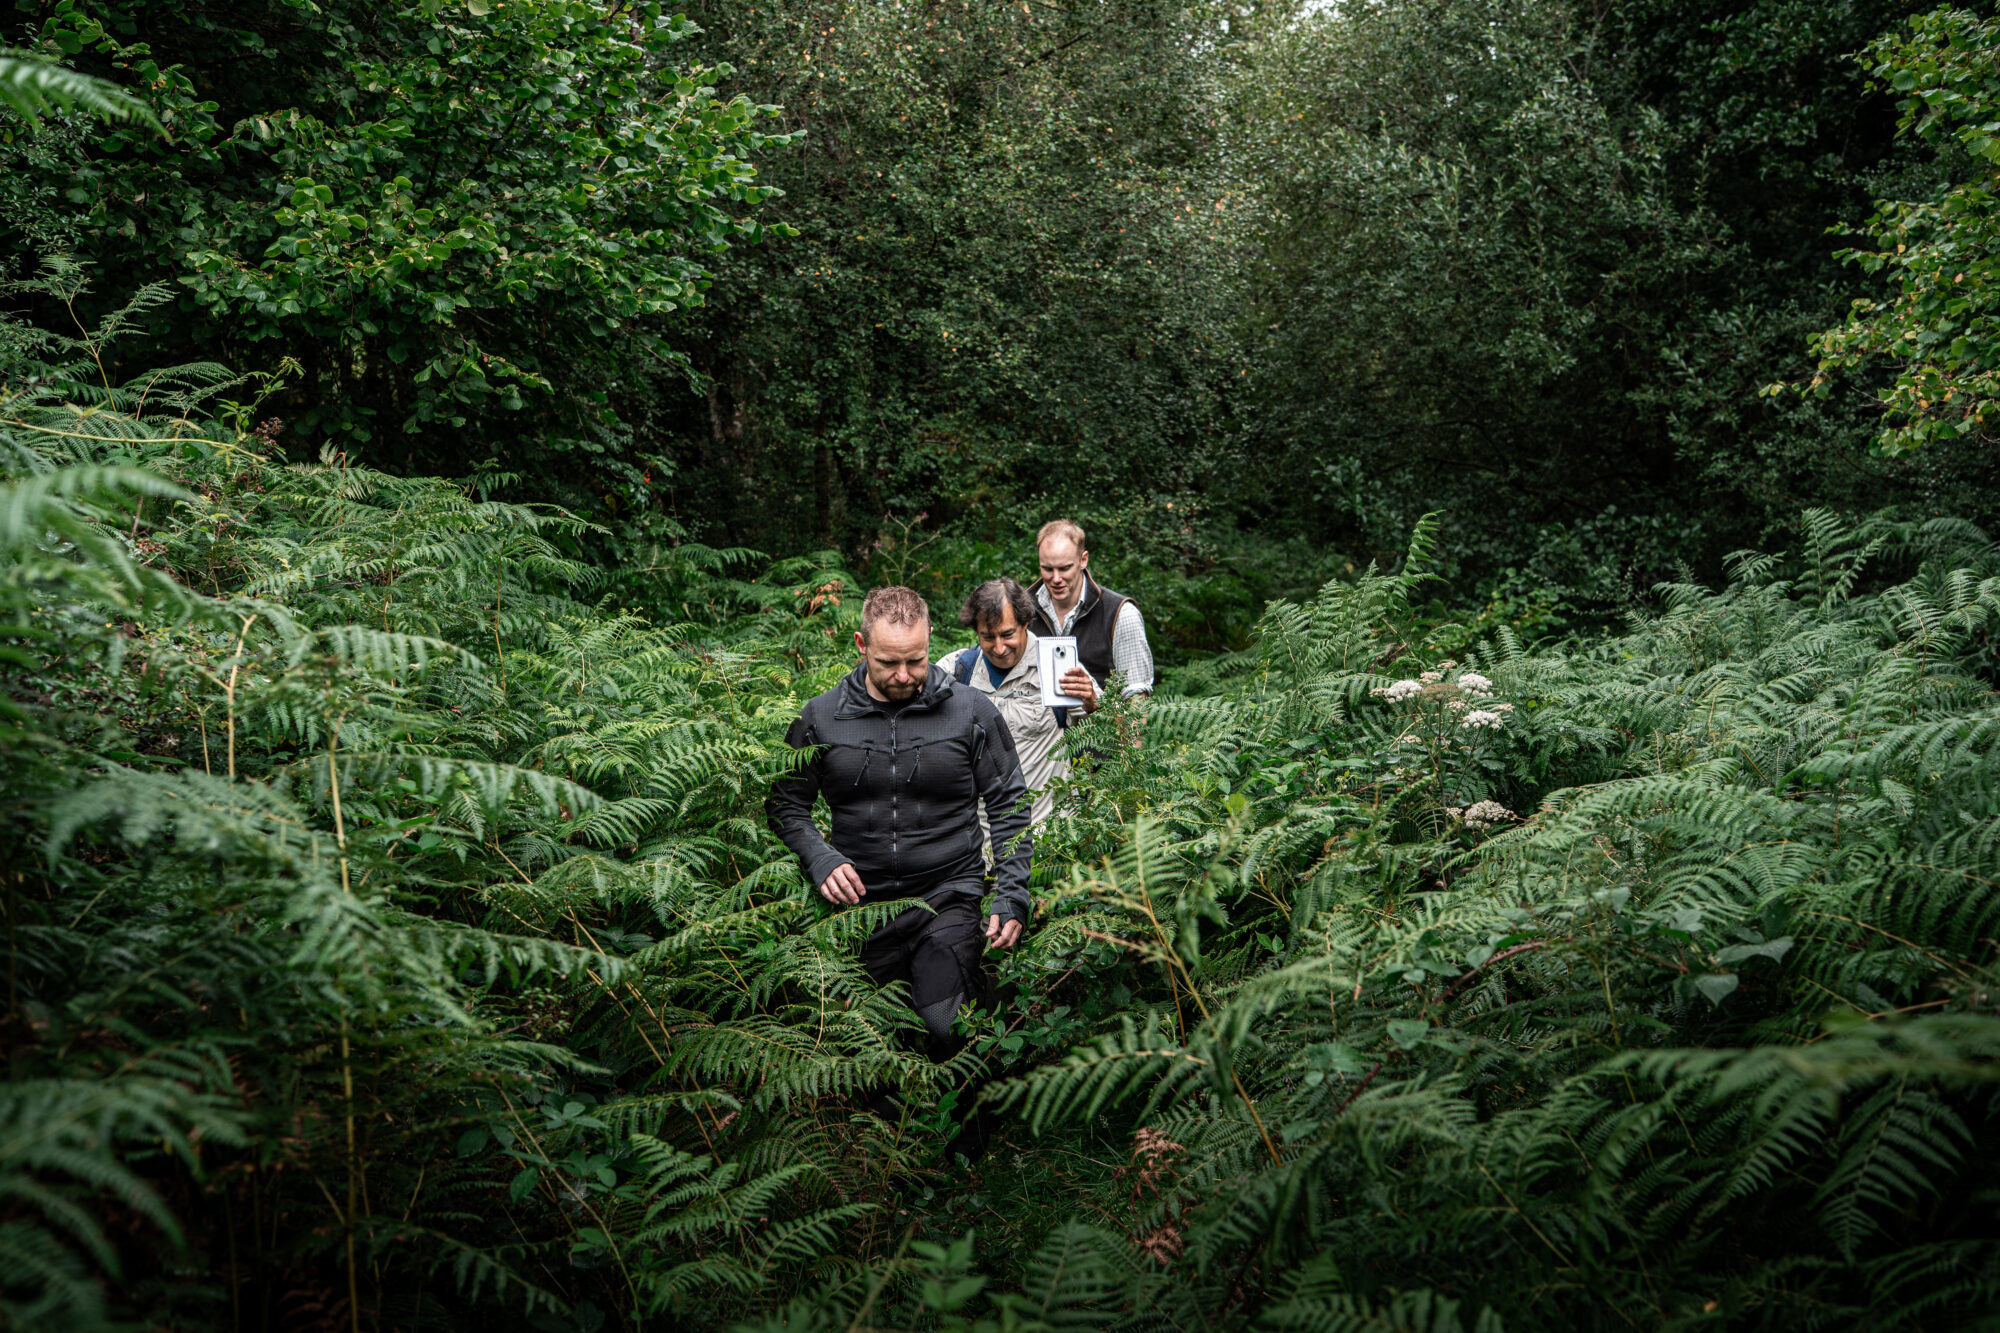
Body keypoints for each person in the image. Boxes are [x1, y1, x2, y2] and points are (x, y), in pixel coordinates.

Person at [765, 585, 1033, 1074]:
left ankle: (977, 1111)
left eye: (917, 660)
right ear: (861, 645)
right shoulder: (821, 717)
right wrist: (821, 858)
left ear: (930, 638)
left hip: (948, 895)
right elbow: (786, 804)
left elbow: (1009, 804)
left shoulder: (972, 712)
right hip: (861, 908)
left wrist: (1012, 894)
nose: (905, 675)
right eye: (889, 663)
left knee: (945, 1023)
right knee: (871, 1047)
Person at [937, 577, 1094, 830]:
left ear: (1026, 622)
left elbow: (1117, 730)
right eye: (988, 637)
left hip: (1047, 837)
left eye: (1007, 634)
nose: (999, 648)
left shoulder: (1057, 666)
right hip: (981, 840)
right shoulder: (956, 671)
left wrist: (1093, 703)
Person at [1028, 518, 1154, 701]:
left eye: (1064, 568)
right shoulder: (1021, 609)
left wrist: (1096, 702)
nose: (1056, 579)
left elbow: (1137, 701)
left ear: (1083, 560)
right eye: (1047, 569)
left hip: (1102, 719)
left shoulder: (1120, 613)